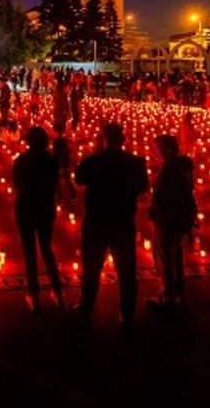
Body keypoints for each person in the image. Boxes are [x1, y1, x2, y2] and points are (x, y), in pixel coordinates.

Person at [74, 122, 148, 331]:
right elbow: (142, 186)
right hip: (123, 221)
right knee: (126, 271)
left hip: (96, 222)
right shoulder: (135, 162)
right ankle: (126, 314)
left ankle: (86, 312)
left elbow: (79, 179)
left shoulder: (93, 161)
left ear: (103, 138)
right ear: (123, 139)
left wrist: (96, 154)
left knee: (91, 270)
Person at [11, 126, 64, 313]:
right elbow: (55, 184)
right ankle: (58, 291)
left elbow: (16, 183)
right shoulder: (52, 161)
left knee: (30, 253)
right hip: (45, 209)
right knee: (47, 250)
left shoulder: (21, 161)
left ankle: (33, 295)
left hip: (25, 209)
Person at [145, 135, 198, 314]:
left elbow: (166, 195)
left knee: (164, 258)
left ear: (167, 149)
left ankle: (167, 297)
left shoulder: (170, 168)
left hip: (168, 219)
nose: (155, 152)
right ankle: (179, 294)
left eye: (157, 148)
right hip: (181, 218)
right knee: (175, 256)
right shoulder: (183, 166)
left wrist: (155, 211)